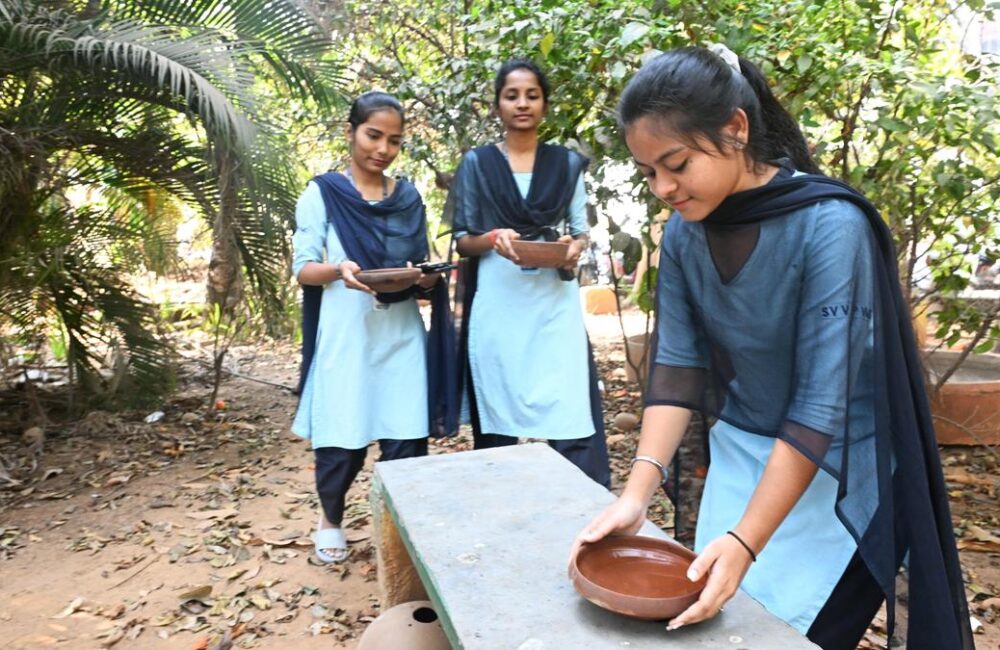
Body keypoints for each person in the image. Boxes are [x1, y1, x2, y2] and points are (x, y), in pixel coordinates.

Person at [573, 45, 972, 650]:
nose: (663, 187)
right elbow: (679, 366)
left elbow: (820, 406)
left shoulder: (831, 226)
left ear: (736, 128)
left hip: (841, 475)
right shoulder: (684, 232)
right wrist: (635, 496)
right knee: (715, 631)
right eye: (648, 172)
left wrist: (745, 541)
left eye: (676, 164)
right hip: (742, 459)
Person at [292, 92, 456, 564]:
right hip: (347, 334)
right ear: (351, 132)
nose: (383, 149)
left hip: (401, 333)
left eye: (394, 140)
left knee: (406, 437)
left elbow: (417, 265)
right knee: (342, 435)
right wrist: (339, 269)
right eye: (373, 135)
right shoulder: (323, 193)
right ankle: (331, 519)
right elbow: (304, 269)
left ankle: (398, 533)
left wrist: (425, 276)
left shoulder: (408, 198)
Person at [444, 59, 610, 488]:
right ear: (497, 105)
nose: (522, 104)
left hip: (553, 307)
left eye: (532, 96)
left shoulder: (566, 164)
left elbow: (580, 232)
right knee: (498, 411)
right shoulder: (477, 164)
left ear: (545, 105)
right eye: (512, 95)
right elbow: (463, 240)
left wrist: (572, 249)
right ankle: (499, 504)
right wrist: (493, 238)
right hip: (498, 304)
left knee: (568, 406)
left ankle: (583, 506)